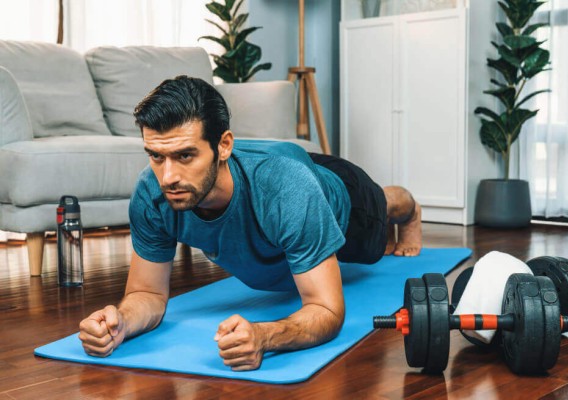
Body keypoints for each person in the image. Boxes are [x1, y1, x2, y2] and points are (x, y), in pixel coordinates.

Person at [78, 76, 422, 371]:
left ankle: (406, 205)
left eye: (185, 155)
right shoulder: (150, 193)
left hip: (337, 193)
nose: (168, 177)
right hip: (276, 169)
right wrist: (120, 322)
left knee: (378, 218)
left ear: (224, 145)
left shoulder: (287, 190)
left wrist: (264, 336)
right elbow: (147, 293)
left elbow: (327, 309)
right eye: (156, 156)